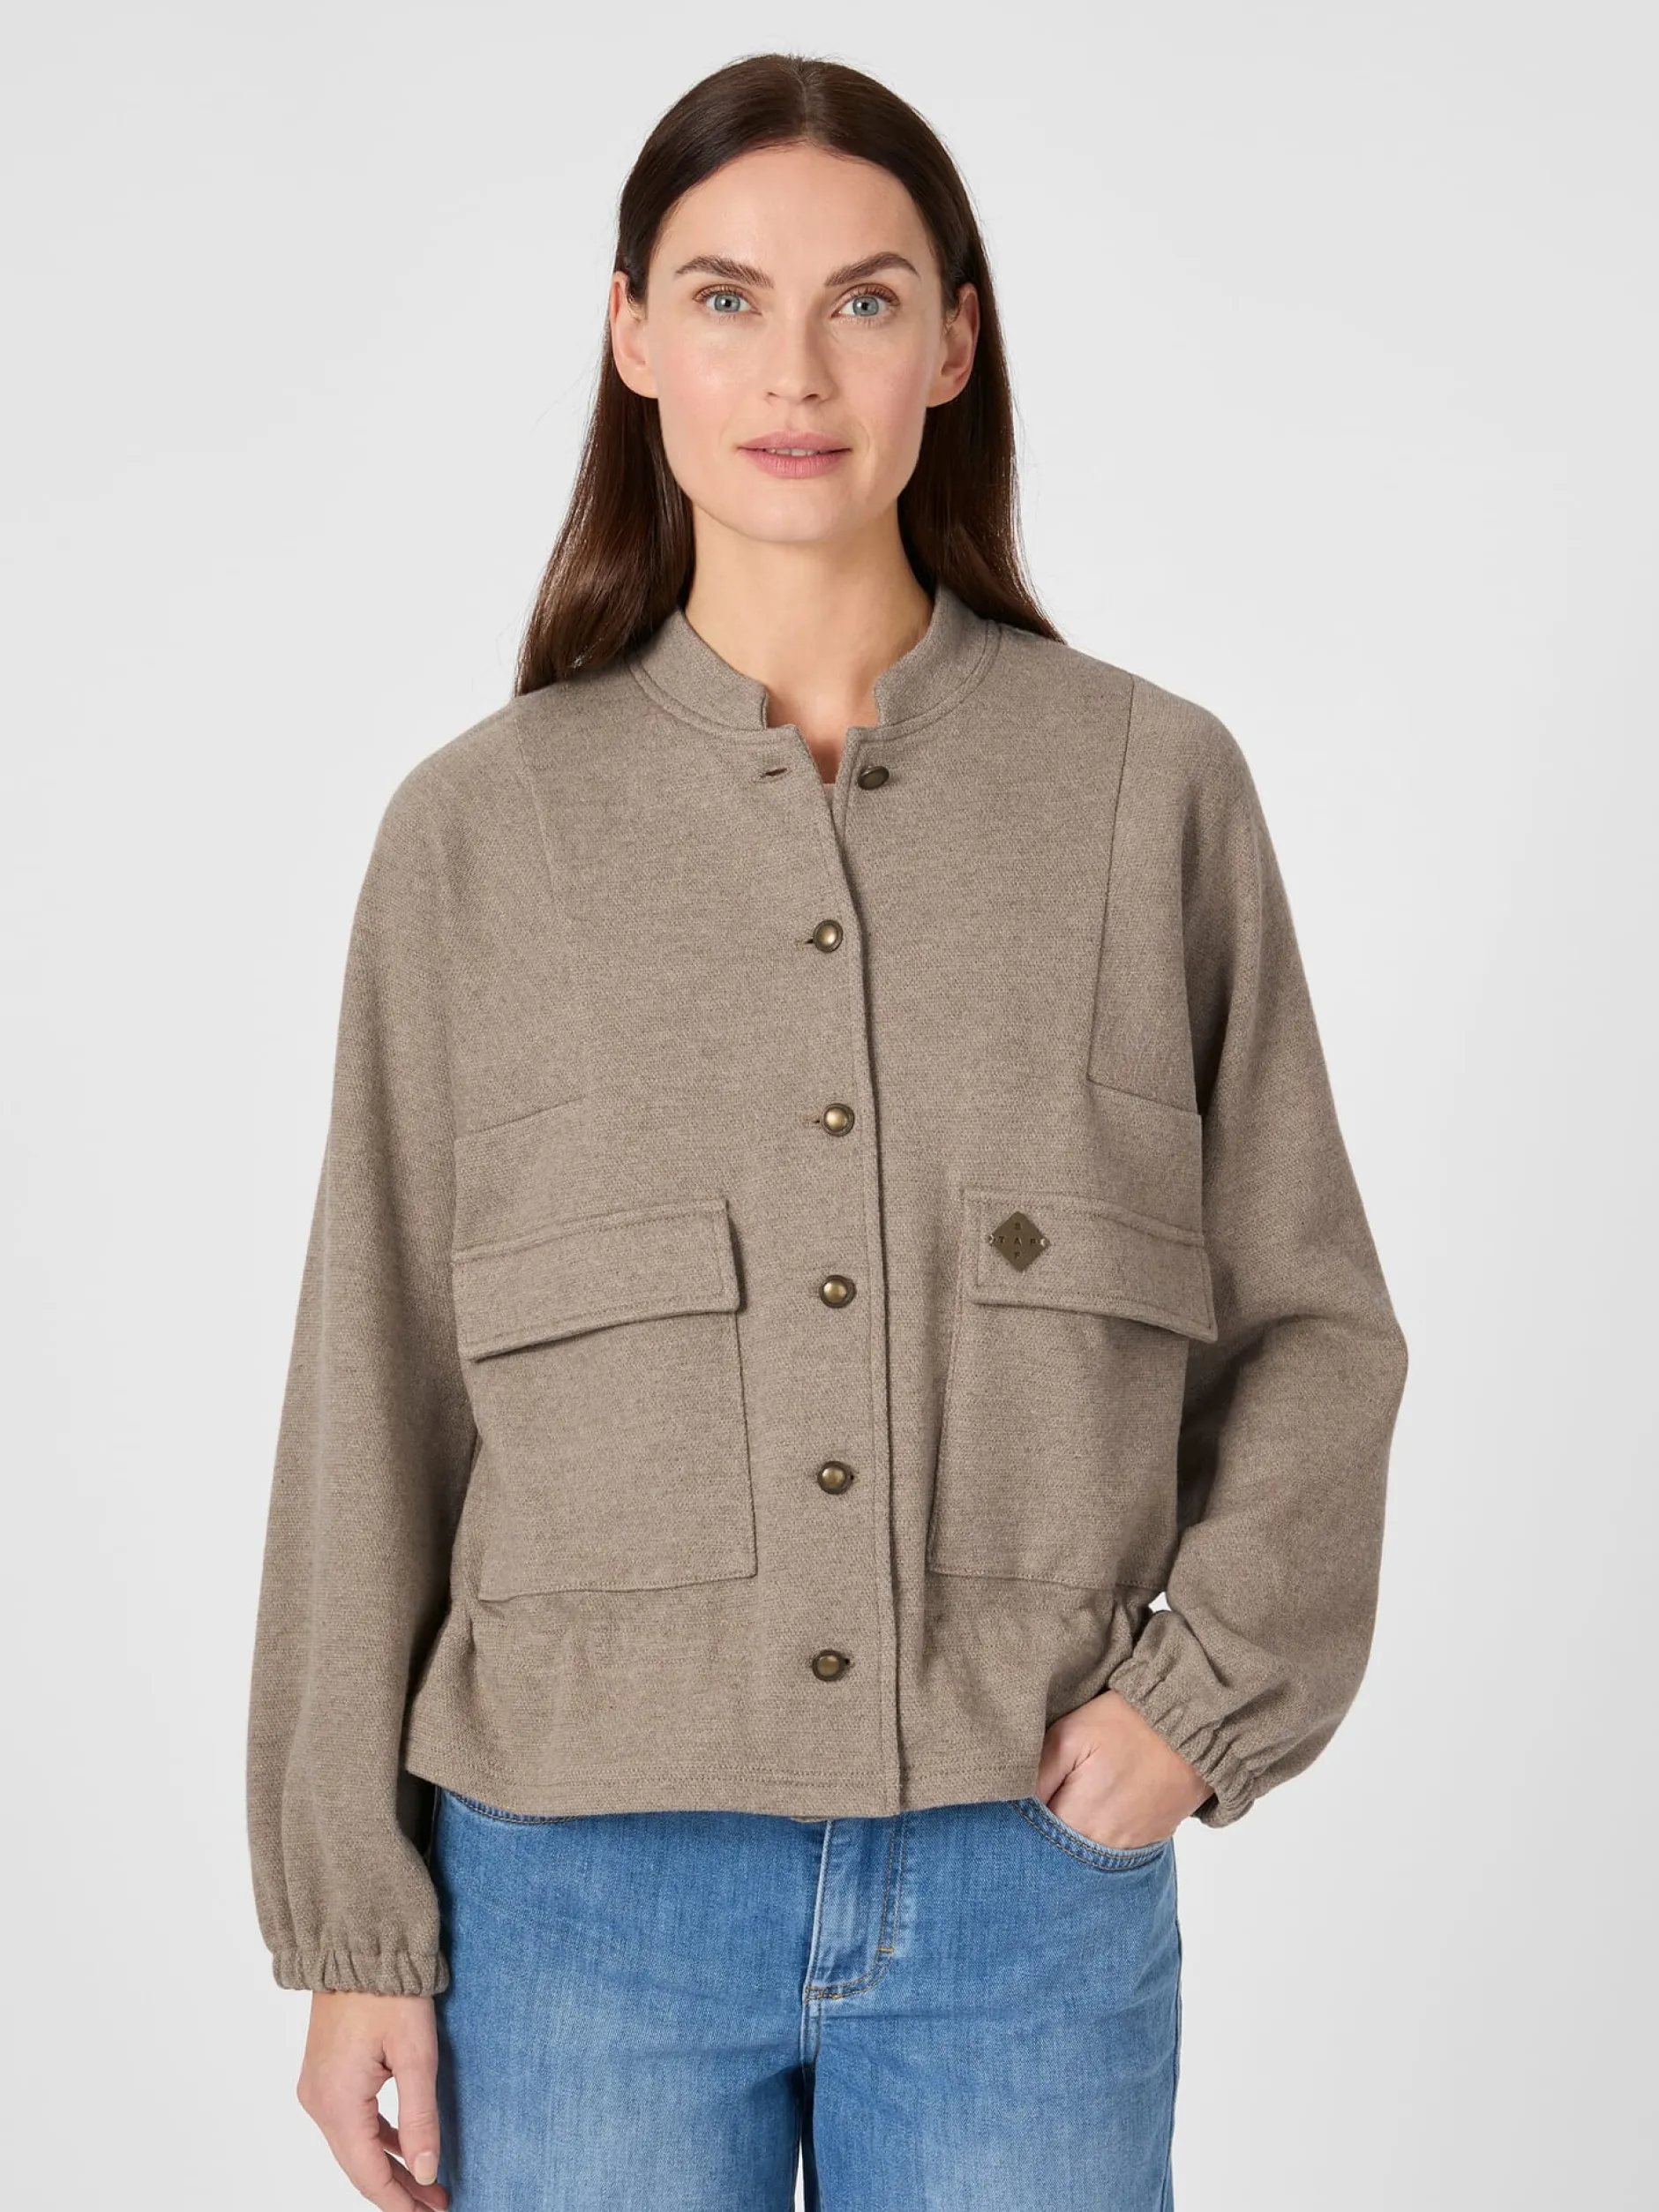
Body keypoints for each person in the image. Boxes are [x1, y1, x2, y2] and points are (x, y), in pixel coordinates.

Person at [245, 50, 1408, 2212]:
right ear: (630, 336)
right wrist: (352, 1926)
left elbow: (1314, 1323)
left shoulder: (1147, 791)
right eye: (724, 299)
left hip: (1022, 1885)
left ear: (953, 342)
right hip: (572, 1895)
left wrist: (1199, 1703)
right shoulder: (477, 833)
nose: (793, 371)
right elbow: (369, 1391)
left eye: (863, 301)